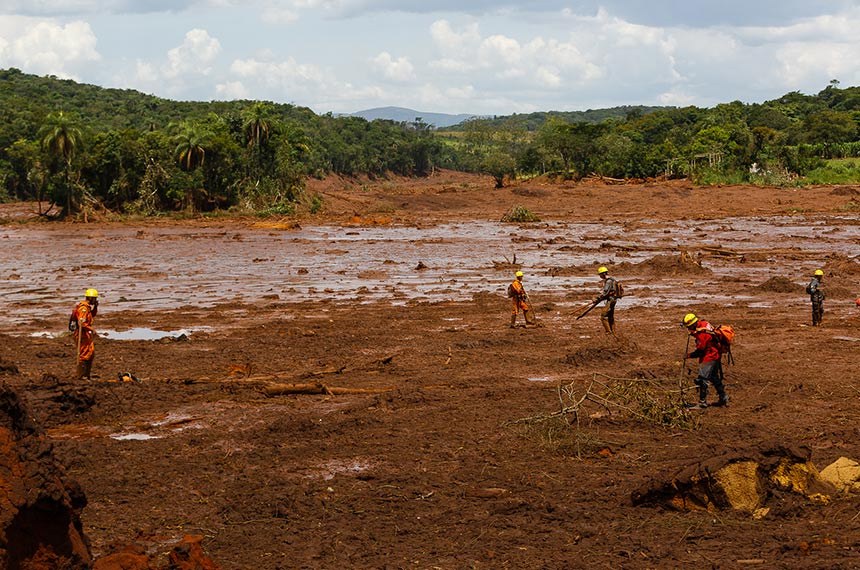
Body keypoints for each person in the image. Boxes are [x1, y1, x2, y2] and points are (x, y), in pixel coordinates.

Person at [682, 313, 728, 409]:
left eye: (689, 327)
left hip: (709, 356)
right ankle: (723, 397)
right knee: (714, 377)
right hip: (716, 354)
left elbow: (700, 350)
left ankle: (702, 402)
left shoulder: (702, 334)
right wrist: (694, 333)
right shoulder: (704, 324)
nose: (688, 329)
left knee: (702, 379)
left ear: (693, 324)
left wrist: (689, 355)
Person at [69, 289, 99, 380]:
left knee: (90, 353)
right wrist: (91, 329)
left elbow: (91, 316)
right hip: (82, 334)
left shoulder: (88, 308)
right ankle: (81, 376)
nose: (95, 300)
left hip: (86, 334)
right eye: (94, 298)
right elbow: (81, 323)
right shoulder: (83, 308)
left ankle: (86, 375)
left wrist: (96, 307)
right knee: (84, 354)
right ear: (90, 298)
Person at [595, 266, 620, 335]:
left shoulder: (608, 281)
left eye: (600, 274)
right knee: (611, 316)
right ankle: (614, 332)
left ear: (603, 274)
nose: (600, 276)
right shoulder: (612, 280)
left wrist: (598, 298)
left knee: (603, 316)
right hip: (614, 299)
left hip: (610, 300)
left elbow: (605, 293)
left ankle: (608, 332)